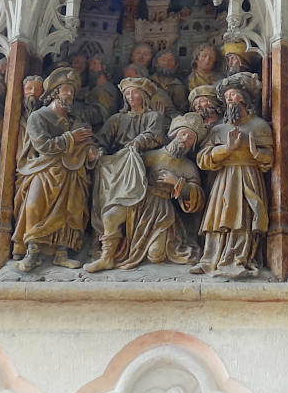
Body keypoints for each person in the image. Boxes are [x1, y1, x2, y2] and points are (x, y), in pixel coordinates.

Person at [14, 68, 101, 271]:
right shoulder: (38, 117)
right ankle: (33, 251)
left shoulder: (75, 121)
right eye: (64, 90)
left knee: (72, 210)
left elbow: (88, 142)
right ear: (54, 93)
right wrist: (70, 138)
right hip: (45, 169)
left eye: (71, 91)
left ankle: (62, 253)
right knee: (35, 205)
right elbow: (42, 145)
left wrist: (91, 152)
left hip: (72, 172)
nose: (69, 95)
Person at [192, 73, 273, 278]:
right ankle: (211, 259)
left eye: (233, 95)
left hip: (248, 174)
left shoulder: (260, 126)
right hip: (225, 177)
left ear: (244, 98)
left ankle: (239, 259)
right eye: (227, 97)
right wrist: (226, 149)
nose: (229, 100)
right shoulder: (219, 129)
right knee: (219, 218)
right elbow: (203, 159)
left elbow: (270, 158)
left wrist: (255, 152)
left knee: (243, 218)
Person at [86, 77, 168, 269]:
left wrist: (137, 142)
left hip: (140, 162)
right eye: (128, 93)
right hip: (116, 164)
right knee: (106, 202)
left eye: (135, 92)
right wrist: (97, 151)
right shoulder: (117, 119)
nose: (131, 96)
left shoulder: (153, 116)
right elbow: (102, 140)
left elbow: (154, 135)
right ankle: (103, 249)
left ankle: (113, 252)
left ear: (144, 95)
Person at [113, 113, 209, 270]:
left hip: (164, 211)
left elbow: (198, 195)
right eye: (183, 134)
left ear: (193, 145)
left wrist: (177, 182)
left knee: (155, 255)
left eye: (190, 138)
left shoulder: (188, 167)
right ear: (174, 134)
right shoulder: (150, 156)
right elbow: (128, 176)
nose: (185, 139)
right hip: (140, 208)